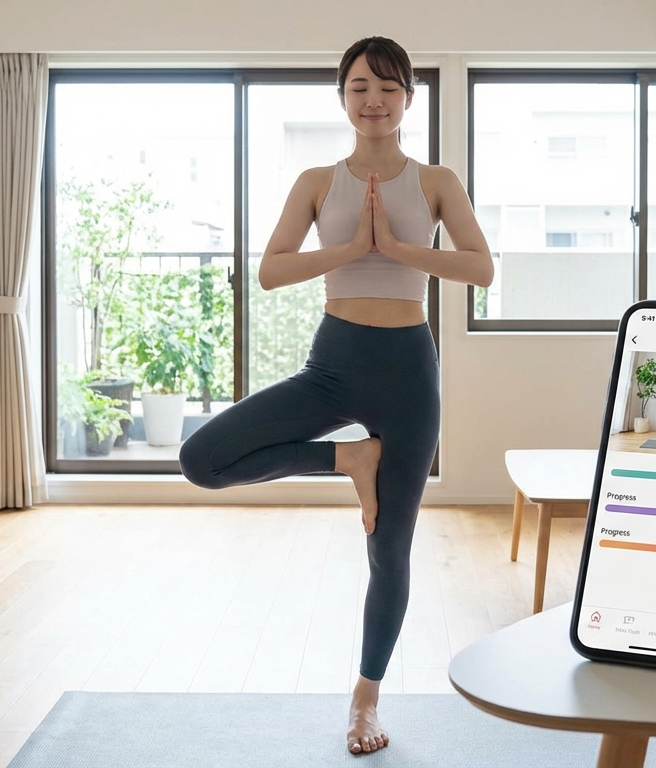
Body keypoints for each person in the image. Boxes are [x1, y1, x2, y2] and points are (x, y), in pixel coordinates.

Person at [177, 36, 493, 756]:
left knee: (391, 549)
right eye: (358, 87)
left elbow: (479, 269)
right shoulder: (318, 181)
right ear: (342, 99)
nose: (373, 99)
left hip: (410, 372)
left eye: (387, 87)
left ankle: (364, 700)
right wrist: (353, 249)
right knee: (204, 459)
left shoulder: (436, 180)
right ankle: (349, 460)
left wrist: (398, 247)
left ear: (409, 97)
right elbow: (270, 271)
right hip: (334, 362)